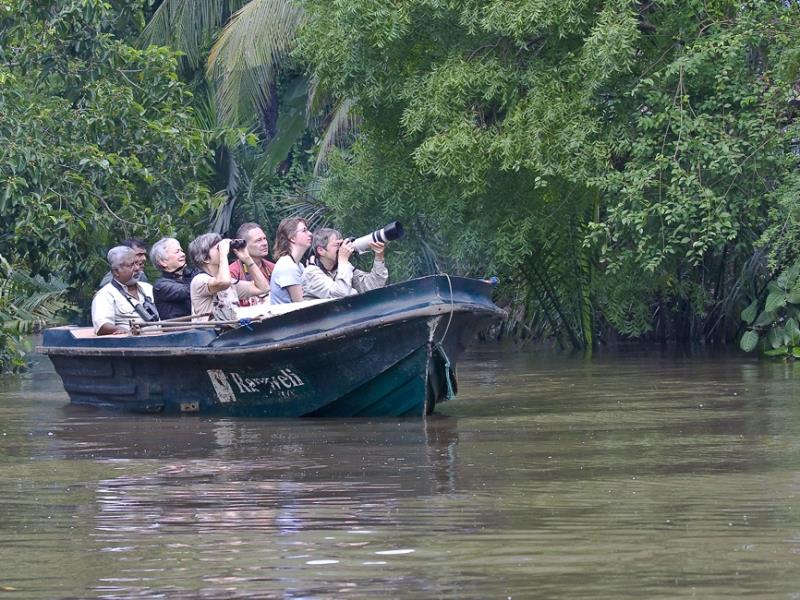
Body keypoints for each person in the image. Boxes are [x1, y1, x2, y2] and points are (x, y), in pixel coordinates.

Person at [188, 233, 269, 321]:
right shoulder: (199, 280)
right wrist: (223, 254)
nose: (224, 249)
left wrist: (247, 259)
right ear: (206, 258)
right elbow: (224, 282)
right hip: (210, 333)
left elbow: (263, 288)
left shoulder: (230, 283)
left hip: (231, 333)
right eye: (218, 247)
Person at [302, 228, 388, 299]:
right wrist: (343, 260)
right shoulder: (311, 273)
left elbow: (373, 287)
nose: (342, 248)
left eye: (342, 244)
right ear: (321, 250)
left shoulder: (342, 267)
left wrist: (379, 257)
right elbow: (341, 295)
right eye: (337, 245)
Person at [91, 246, 159, 335]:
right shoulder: (105, 295)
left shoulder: (148, 288)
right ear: (116, 271)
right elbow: (102, 326)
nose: (137, 268)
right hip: (133, 345)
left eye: (137, 264)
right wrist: (118, 329)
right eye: (131, 265)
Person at [150, 237, 199, 320]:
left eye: (181, 251)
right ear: (163, 261)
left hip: (201, 330)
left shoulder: (191, 274)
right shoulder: (161, 286)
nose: (183, 254)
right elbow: (193, 290)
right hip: (180, 332)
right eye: (177, 252)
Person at [228, 222, 275, 306]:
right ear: (243, 246)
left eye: (264, 238)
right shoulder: (232, 272)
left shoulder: (273, 268)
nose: (265, 243)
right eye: (258, 240)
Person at [269, 217, 313, 305]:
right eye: (304, 230)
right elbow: (301, 304)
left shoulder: (298, 265)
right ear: (292, 237)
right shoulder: (287, 266)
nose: (310, 234)